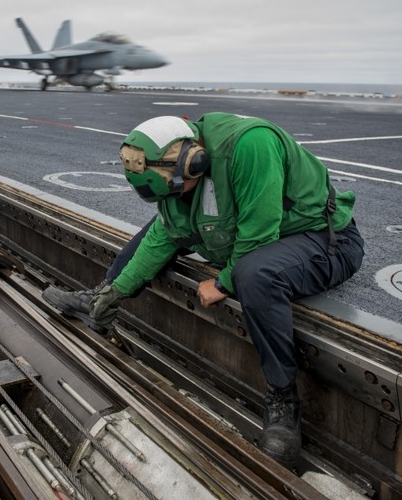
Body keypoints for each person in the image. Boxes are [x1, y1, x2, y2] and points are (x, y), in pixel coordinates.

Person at [42, 113, 364, 467]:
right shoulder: (174, 170)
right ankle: (98, 296)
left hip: (320, 239)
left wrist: (224, 282)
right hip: (249, 233)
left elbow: (259, 234)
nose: (174, 197)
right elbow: (164, 235)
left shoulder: (251, 145)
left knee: (253, 274)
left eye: (176, 187)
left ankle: (283, 402)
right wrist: (117, 293)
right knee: (159, 229)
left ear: (195, 162)